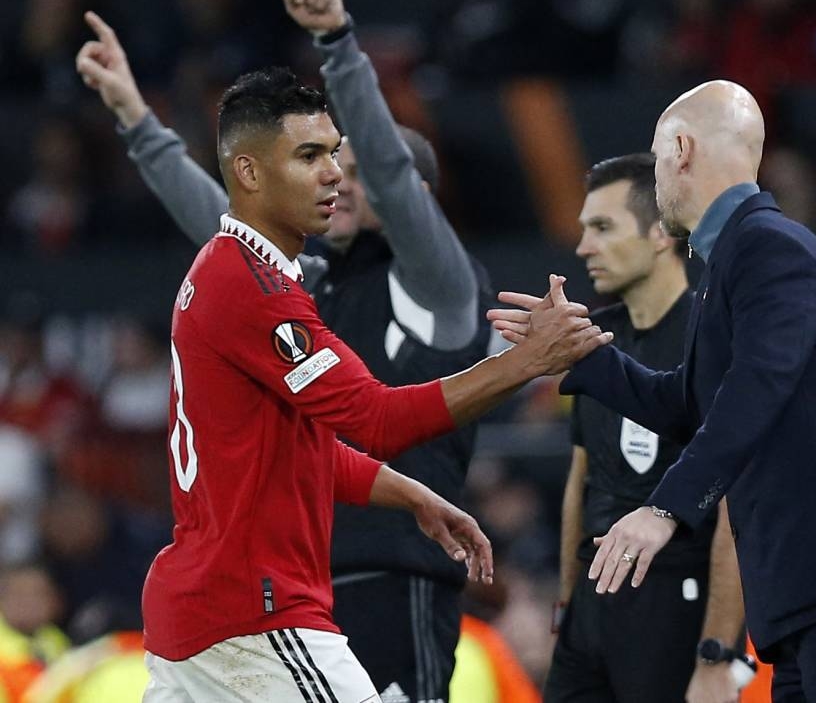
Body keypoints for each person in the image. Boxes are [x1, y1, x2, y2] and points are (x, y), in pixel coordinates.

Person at [111, 66, 608, 702]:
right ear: (250, 173)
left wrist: (412, 496)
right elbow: (377, 420)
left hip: (207, 610)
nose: (333, 175)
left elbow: (299, 450)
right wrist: (528, 359)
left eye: (335, 156)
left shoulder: (235, 271)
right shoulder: (256, 289)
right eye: (309, 156)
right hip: (256, 614)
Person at [76, 0, 504, 699]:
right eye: (324, 160)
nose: (335, 179)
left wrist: (337, 42)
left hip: (389, 582)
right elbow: (219, 210)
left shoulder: (439, 283)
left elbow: (393, 179)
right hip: (288, 588)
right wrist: (135, 118)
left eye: (350, 166)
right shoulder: (295, 279)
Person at [488, 80, 816, 703]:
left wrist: (665, 508)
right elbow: (691, 406)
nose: (657, 185)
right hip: (807, 595)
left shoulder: (770, 249)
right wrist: (584, 357)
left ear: (680, 148)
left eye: (656, 161)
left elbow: (759, 389)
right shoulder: (730, 260)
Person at [545, 153, 745, 703]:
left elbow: (736, 507)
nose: (584, 246)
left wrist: (717, 652)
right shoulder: (593, 342)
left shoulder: (715, 338)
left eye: (603, 227)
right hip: (590, 613)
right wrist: (567, 603)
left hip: (676, 600)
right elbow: (580, 482)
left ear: (660, 234)